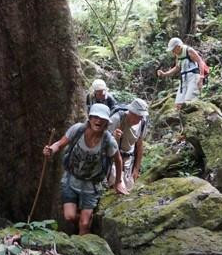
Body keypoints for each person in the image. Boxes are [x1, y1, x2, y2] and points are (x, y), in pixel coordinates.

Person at [43, 103, 127, 235]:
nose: (98, 120)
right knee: (69, 216)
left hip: (91, 185)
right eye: (95, 117)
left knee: (84, 225)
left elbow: (118, 159)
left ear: (106, 122)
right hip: (71, 179)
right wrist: (51, 150)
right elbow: (59, 144)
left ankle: (83, 247)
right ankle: (86, 219)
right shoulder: (78, 130)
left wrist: (118, 182)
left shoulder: (108, 141)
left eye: (102, 118)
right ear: (90, 118)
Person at [107, 98, 149, 191]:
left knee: (129, 187)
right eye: (138, 116)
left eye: (141, 116)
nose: (140, 119)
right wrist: (112, 136)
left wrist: (136, 169)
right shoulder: (117, 118)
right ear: (131, 112)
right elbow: (102, 139)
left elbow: (139, 145)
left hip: (129, 160)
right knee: (115, 185)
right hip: (113, 159)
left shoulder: (142, 123)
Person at [157, 37, 208, 108]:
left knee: (188, 102)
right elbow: (177, 67)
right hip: (184, 79)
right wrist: (165, 74)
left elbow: (200, 62)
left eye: (173, 49)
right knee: (178, 104)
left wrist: (201, 77)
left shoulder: (189, 51)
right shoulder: (178, 55)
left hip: (193, 77)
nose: (173, 52)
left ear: (178, 46)